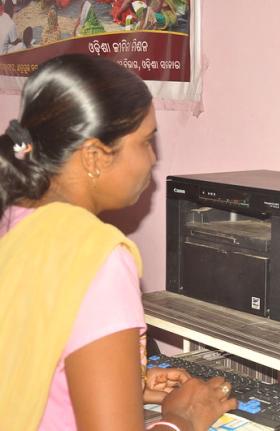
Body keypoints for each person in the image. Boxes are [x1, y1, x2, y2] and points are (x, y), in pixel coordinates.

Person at [0, 54, 238, 430]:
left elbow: (27, 350)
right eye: (145, 142)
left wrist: (123, 384)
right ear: (94, 156)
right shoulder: (96, 258)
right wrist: (181, 420)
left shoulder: (13, 217)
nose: (153, 159)